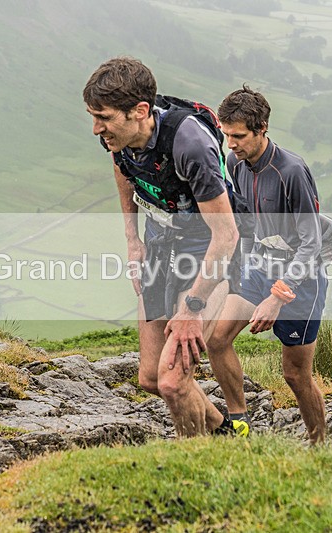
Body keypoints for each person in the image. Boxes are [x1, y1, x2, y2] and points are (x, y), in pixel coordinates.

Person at [82, 57, 248, 437]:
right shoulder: (121, 136)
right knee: (151, 377)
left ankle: (193, 460)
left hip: (207, 249)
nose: (96, 129)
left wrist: (192, 309)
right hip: (161, 243)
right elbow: (122, 166)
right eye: (92, 117)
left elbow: (227, 236)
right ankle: (226, 434)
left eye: (103, 118)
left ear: (140, 111)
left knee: (173, 382)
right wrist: (133, 240)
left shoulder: (190, 145)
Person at [207, 85, 328, 444]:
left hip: (301, 283)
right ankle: (239, 423)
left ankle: (320, 446)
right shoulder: (235, 162)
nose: (230, 144)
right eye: (227, 135)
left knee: (295, 375)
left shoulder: (292, 171)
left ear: (262, 129)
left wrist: (278, 296)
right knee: (217, 339)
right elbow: (246, 224)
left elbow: (311, 243)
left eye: (239, 136)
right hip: (259, 269)